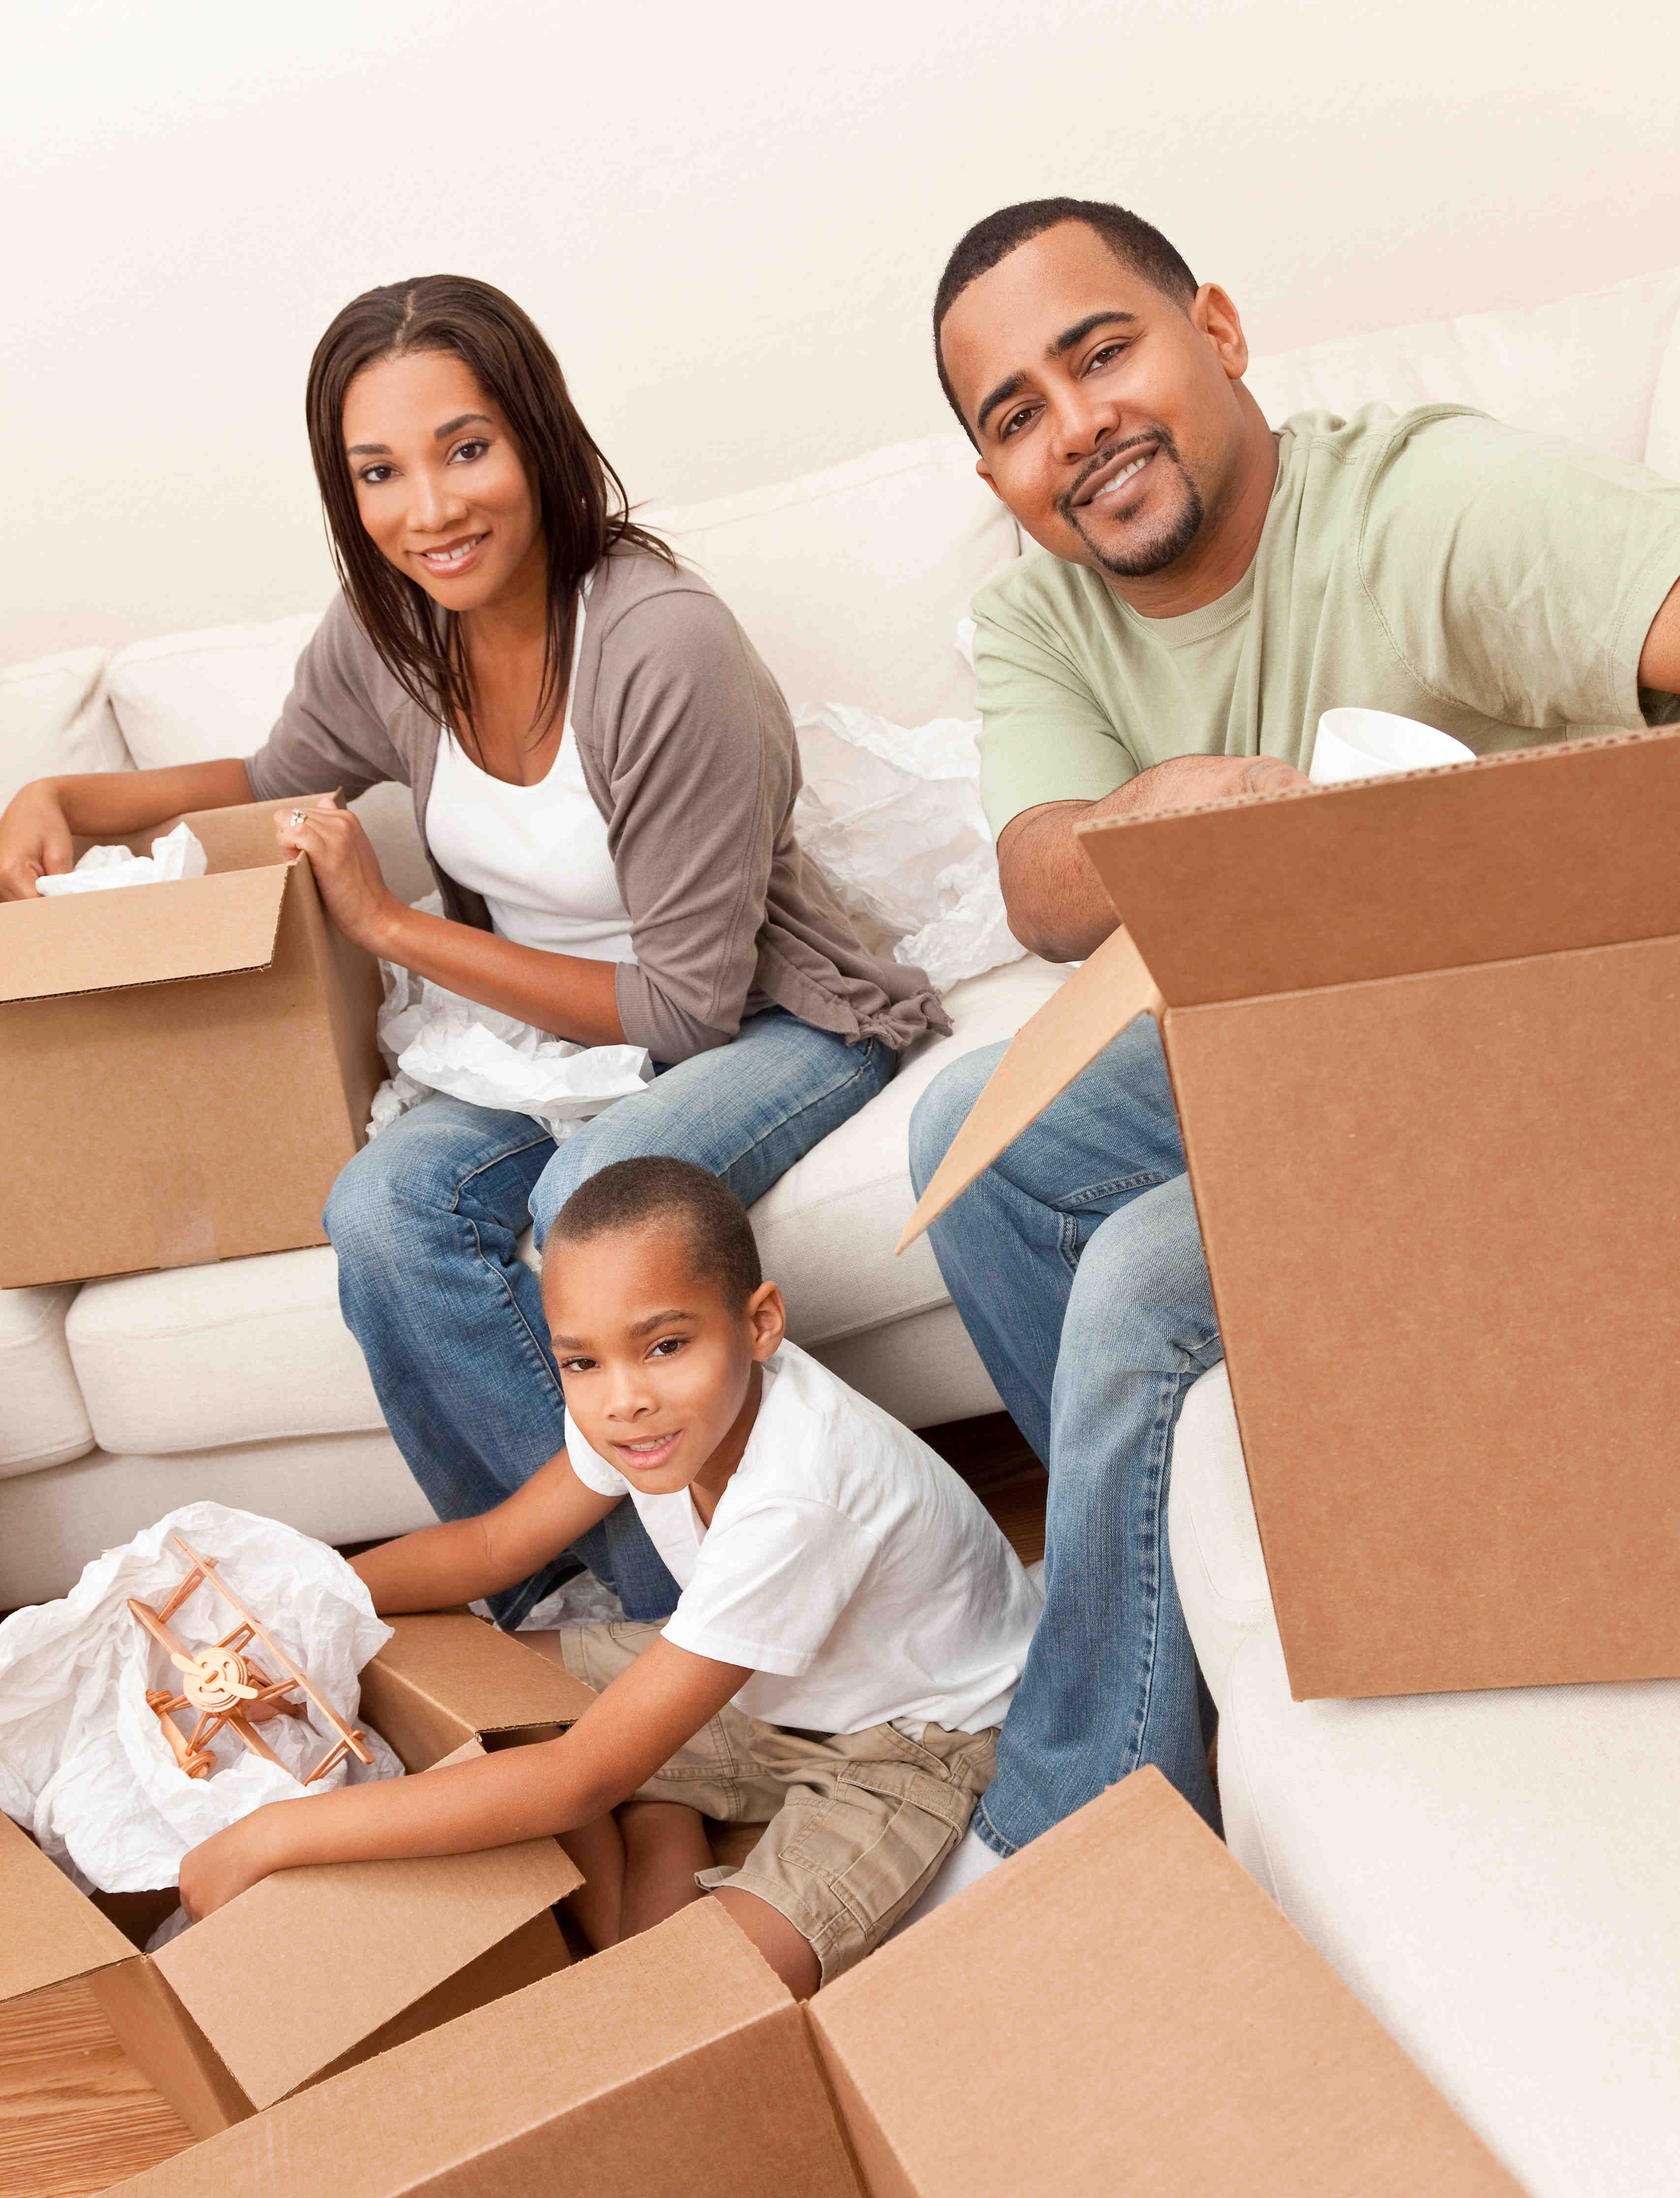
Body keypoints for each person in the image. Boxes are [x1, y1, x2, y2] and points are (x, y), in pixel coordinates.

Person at [909, 195, 1680, 1885]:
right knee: (967, 1139)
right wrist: (1168, 809)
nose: (1076, 426)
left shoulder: (1424, 505)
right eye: (1013, 414)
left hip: (1554, 1071)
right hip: (1318, 1071)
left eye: (1099, 352)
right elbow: (1042, 881)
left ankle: (1090, 1820)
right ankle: (1185, 1581)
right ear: (995, 483)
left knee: (1135, 1284)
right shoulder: (1047, 610)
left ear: (1221, 332)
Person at [0, 275, 945, 1632]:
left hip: (763, 1018)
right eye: (378, 473)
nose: (428, 511)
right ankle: (592, 1625)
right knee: (379, 1213)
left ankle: (716, 1637)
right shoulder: (391, 636)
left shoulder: (658, 643)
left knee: (593, 1201)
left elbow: (684, 1008)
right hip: (544, 1043)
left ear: (536, 437)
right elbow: (278, 773)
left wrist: (391, 930)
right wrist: (80, 802)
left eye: (463, 449)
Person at [176, 1157, 1042, 1995]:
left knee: (680, 1998)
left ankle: (658, 1826)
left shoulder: (801, 1492)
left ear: (760, 1323)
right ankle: (666, 1817)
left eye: (664, 1345)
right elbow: (491, 1549)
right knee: (459, 1688)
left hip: (906, 1746)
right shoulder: (639, 1416)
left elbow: (578, 1778)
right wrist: (292, 1604)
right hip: (761, 1689)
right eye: (581, 1362)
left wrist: (270, 1836)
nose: (621, 1398)